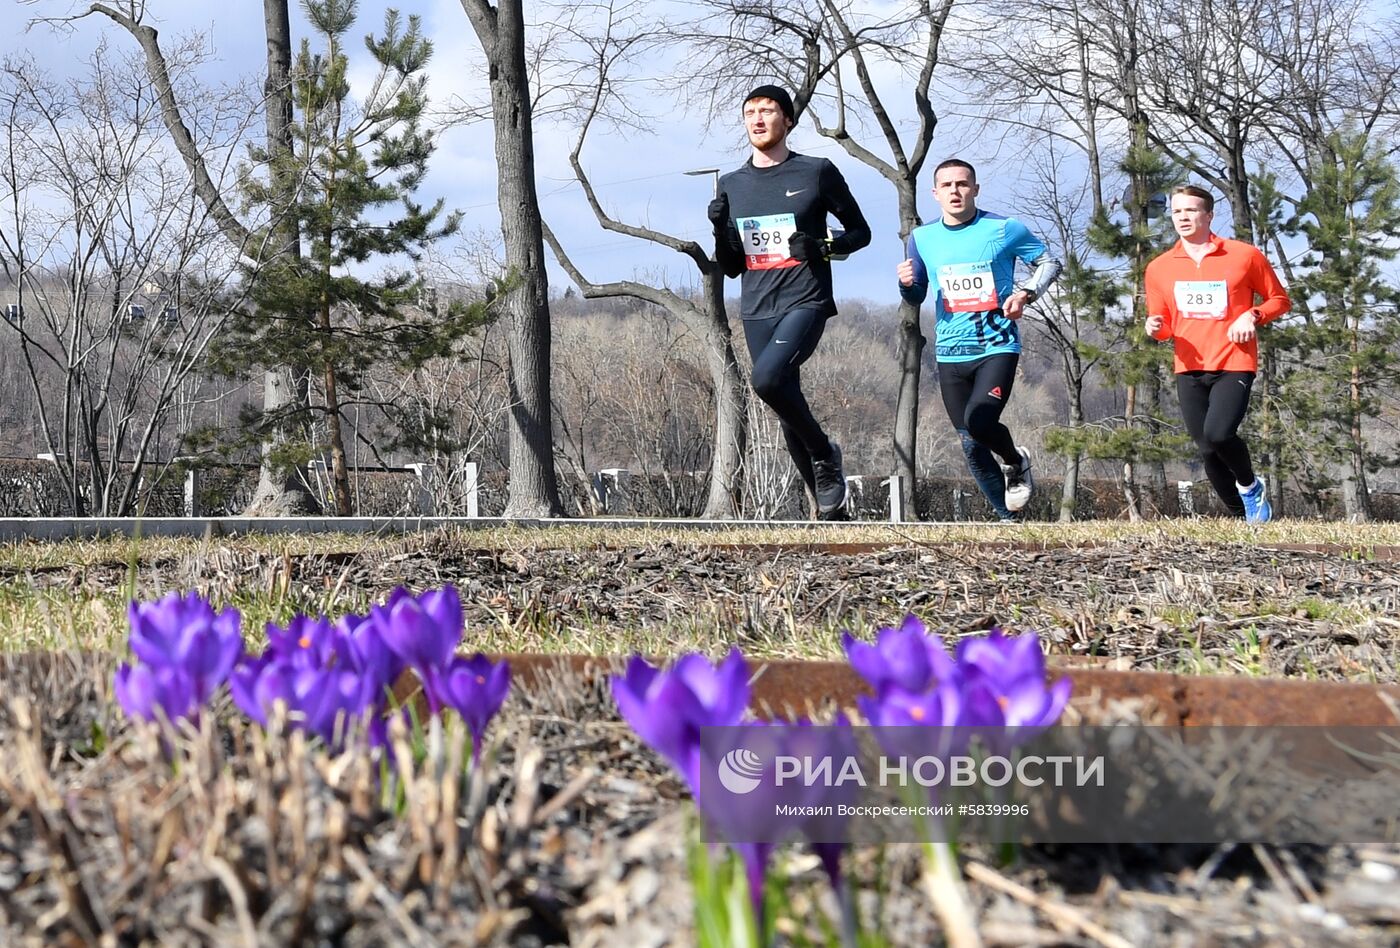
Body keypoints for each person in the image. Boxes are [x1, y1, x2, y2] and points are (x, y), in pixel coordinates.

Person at [708, 84, 872, 520]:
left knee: (766, 381)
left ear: (788, 121)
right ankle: (831, 511)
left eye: (768, 110)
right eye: (750, 112)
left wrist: (820, 246)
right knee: (785, 407)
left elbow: (860, 233)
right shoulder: (732, 183)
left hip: (806, 300)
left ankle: (824, 453)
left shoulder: (816, 171)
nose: (757, 119)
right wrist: (719, 230)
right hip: (757, 307)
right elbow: (731, 265)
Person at [896, 159, 1061, 520]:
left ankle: (1016, 462)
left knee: (980, 421)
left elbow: (1049, 263)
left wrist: (1026, 294)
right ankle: (1009, 520)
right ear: (935, 193)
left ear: (976, 189)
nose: (955, 191)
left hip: (996, 345)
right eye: (947, 185)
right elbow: (917, 295)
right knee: (971, 445)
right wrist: (906, 284)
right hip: (950, 352)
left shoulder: (1004, 229)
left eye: (962, 184)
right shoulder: (921, 238)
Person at [1144, 184, 1290, 522]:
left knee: (1220, 433)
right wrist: (1155, 328)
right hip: (1189, 365)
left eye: (1191, 210)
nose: (1183, 217)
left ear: (1208, 215)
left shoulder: (1244, 255)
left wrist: (1252, 315)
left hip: (1234, 360)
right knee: (1208, 450)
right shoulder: (1159, 267)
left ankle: (1251, 486)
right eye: (1177, 211)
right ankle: (1243, 518)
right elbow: (1163, 324)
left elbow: (1279, 300)